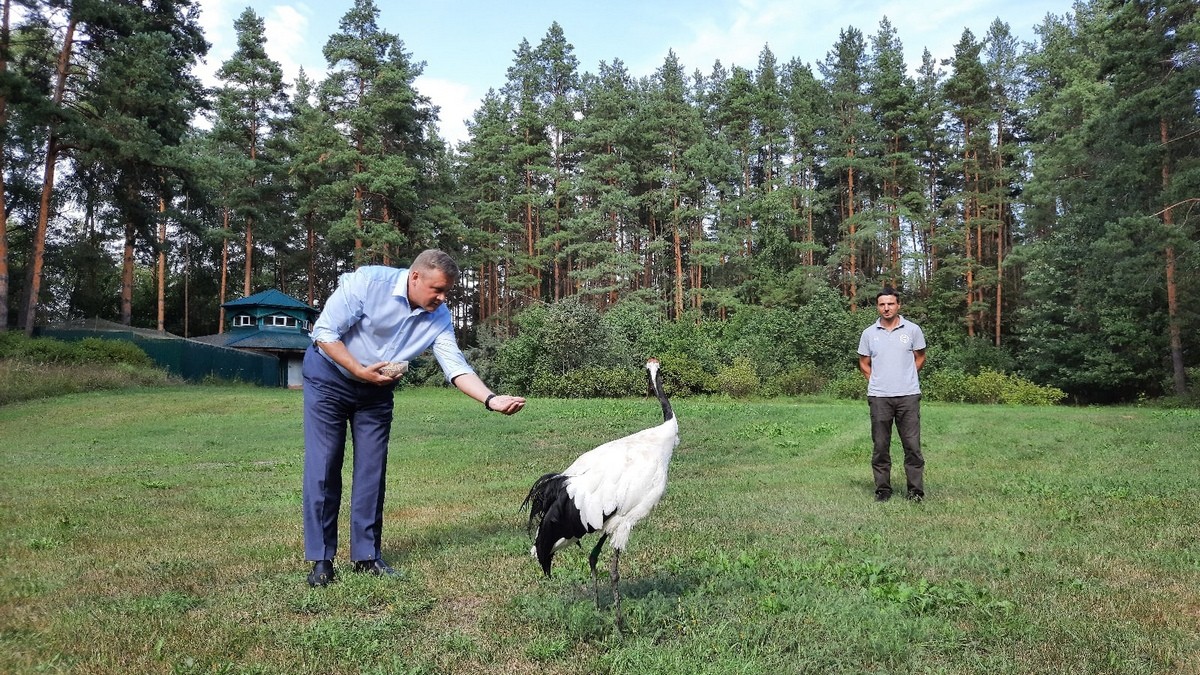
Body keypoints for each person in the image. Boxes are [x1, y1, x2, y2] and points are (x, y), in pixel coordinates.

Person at [302, 249, 526, 587]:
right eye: (437, 289)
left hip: (377, 391)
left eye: (447, 291)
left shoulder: (439, 316)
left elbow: (455, 365)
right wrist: (359, 371)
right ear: (415, 276)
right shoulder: (367, 283)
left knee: (371, 472)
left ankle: (366, 556)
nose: (442, 297)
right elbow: (324, 333)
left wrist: (490, 399)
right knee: (325, 465)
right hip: (329, 378)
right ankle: (322, 561)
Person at [857, 286, 926, 503]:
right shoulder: (869, 334)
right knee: (880, 446)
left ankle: (915, 491)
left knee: (912, 446)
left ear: (898, 305)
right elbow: (864, 363)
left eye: (890, 304)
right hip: (879, 398)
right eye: (882, 304)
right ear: (878, 307)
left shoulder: (913, 330)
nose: (886, 308)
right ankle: (883, 490)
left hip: (908, 396)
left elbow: (920, 357)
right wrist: (877, 381)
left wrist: (906, 377)